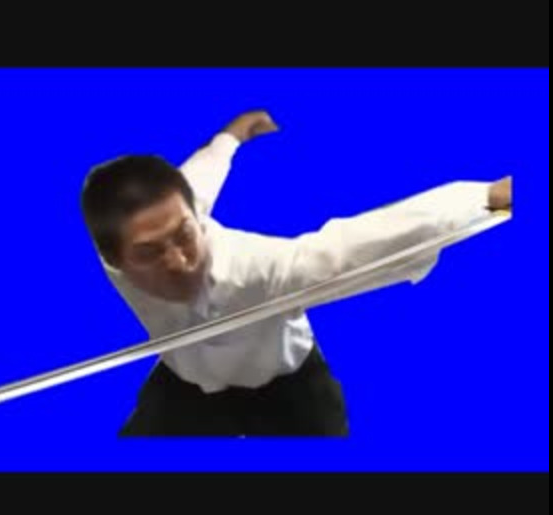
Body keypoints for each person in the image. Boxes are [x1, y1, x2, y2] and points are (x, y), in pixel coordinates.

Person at [80, 110, 512, 437]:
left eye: (185, 235)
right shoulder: (116, 253)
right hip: (189, 384)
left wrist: (483, 197)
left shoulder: (256, 268)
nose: (178, 261)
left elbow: (350, 249)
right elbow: (199, 174)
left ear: (194, 217)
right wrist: (231, 136)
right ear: (115, 259)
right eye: (150, 253)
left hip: (287, 383)